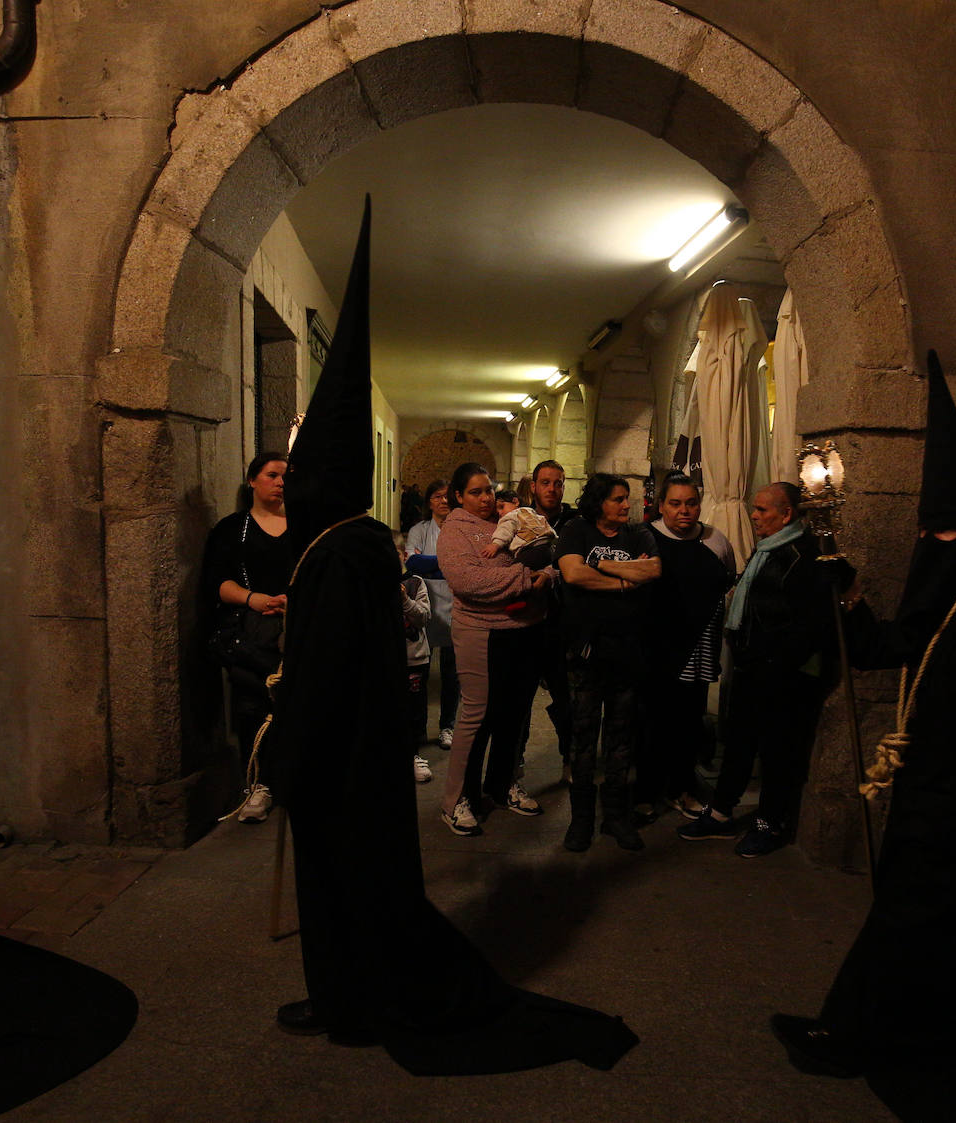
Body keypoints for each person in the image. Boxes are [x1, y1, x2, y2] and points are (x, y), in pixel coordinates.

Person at [268, 198, 637, 1073]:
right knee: (351, 885)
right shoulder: (350, 543)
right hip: (359, 755)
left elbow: (324, 670)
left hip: (342, 759)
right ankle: (344, 993)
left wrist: (291, 748)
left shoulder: (334, 550)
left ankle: (353, 1001)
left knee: (345, 885)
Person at [771, 353, 956, 1099]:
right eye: (926, 531)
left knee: (928, 933)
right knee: (904, 928)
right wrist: (846, 595)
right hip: (923, 802)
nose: (931, 544)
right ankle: (866, 1027)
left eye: (946, 534)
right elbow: (881, 651)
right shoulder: (942, 606)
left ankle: (888, 1035)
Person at [675, 481, 833, 857]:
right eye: (755, 508)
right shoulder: (767, 551)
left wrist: (777, 663)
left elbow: (809, 626)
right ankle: (721, 813)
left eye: (762, 510)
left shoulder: (801, 557)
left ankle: (769, 823)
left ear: (787, 514)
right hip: (752, 667)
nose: (754, 515)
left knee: (778, 752)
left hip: (780, 675)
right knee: (740, 743)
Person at [436, 463, 553, 835]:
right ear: (458, 496)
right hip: (481, 633)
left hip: (524, 631)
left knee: (513, 714)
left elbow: (551, 557)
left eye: (489, 490)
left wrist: (547, 574)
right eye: (475, 492)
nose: (486, 498)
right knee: (476, 716)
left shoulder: (514, 519)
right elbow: (470, 580)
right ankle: (457, 798)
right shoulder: (454, 532)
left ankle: (501, 785)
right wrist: (527, 578)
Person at [556, 473, 661, 852]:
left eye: (626, 499)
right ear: (600, 502)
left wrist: (598, 568)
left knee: (621, 739)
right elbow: (571, 572)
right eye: (618, 499)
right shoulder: (576, 530)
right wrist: (622, 578)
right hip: (587, 653)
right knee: (583, 739)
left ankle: (615, 816)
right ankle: (581, 819)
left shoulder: (640, 535)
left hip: (628, 653)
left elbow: (652, 570)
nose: (626, 505)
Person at [636, 473, 735, 821]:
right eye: (675, 504)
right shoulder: (644, 539)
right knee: (650, 725)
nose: (684, 511)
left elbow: (727, 583)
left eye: (691, 503)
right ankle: (646, 791)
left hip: (699, 652)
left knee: (688, 726)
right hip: (654, 651)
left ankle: (682, 788)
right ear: (661, 506)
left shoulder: (715, 540)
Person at [200, 451, 292, 823]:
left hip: (297, 627)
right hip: (250, 631)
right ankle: (256, 785)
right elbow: (216, 582)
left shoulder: (306, 527)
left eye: (286, 476)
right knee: (252, 705)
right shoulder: (231, 529)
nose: (281, 482)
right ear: (253, 480)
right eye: (272, 475)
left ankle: (292, 781)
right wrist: (255, 599)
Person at [519, 460, 578, 778]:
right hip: (525, 622)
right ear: (534, 486)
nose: (552, 489)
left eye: (558, 482)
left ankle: (568, 757)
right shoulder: (520, 519)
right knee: (520, 698)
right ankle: (514, 761)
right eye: (545, 482)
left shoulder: (575, 523)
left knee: (565, 698)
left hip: (561, 623)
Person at [405, 478, 460, 750]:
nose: (443, 501)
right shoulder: (419, 530)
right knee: (421, 677)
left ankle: (447, 726)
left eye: (447, 496)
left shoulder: (460, 530)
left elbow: (464, 565)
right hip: (426, 608)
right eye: (437, 496)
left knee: (452, 675)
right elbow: (413, 563)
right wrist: (447, 564)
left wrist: (433, 566)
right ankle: (418, 729)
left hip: (454, 609)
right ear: (429, 502)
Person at [395, 531, 434, 784]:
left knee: (414, 709)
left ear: (404, 555)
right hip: (387, 659)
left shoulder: (416, 582)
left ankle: (414, 755)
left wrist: (404, 600)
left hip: (414, 658)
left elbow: (423, 617)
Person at [482, 488, 556, 570]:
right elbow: (544, 522)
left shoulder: (512, 516)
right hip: (549, 548)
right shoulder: (530, 511)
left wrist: (495, 544)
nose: (500, 513)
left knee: (515, 571)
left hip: (530, 550)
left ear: (515, 501)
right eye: (497, 513)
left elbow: (505, 530)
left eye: (501, 507)